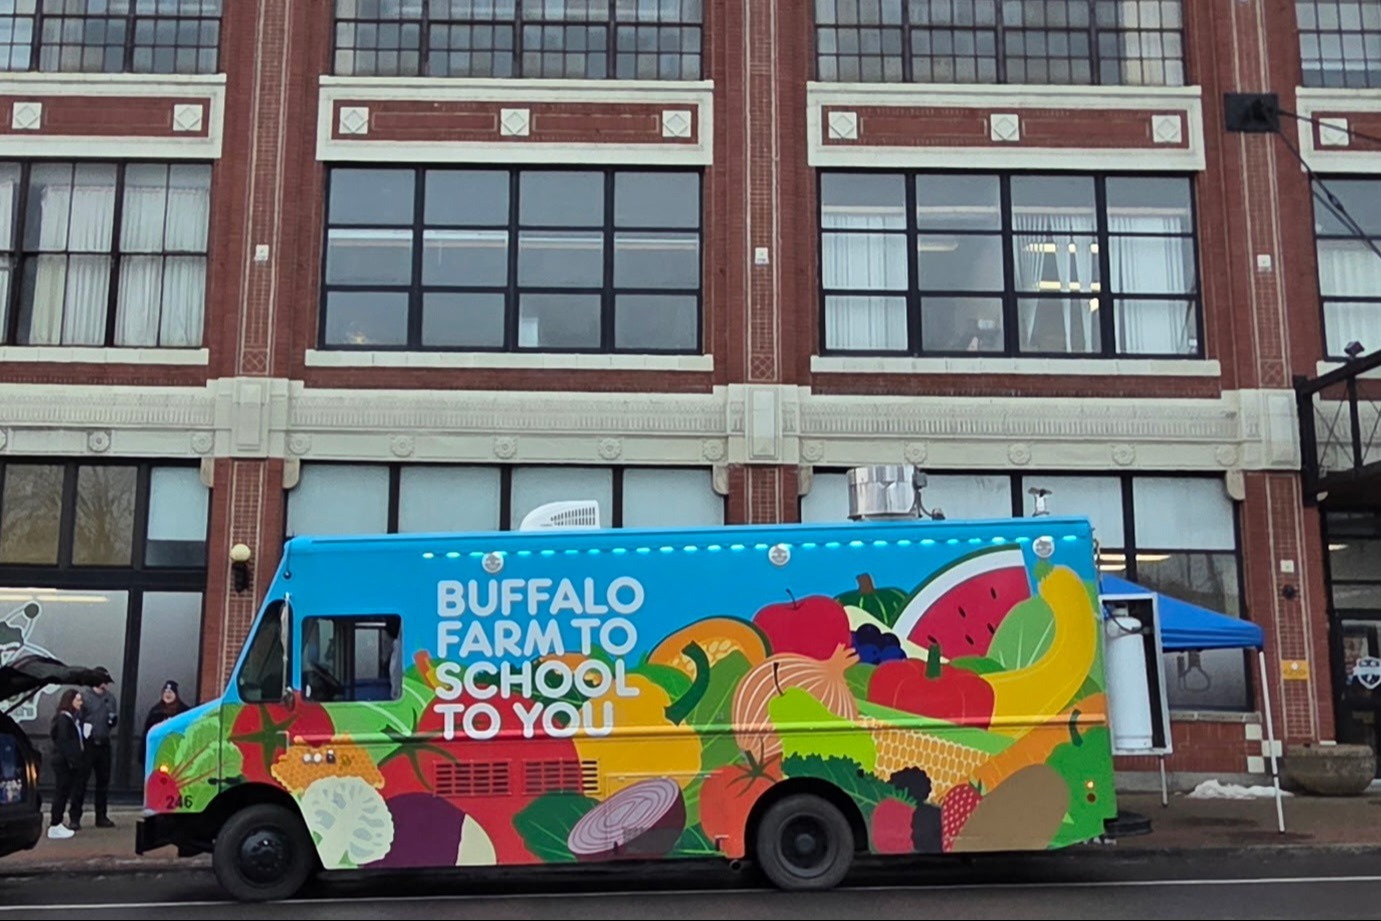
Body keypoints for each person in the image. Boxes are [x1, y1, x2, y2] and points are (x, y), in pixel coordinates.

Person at [48, 688, 89, 838]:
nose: (80, 702)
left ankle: (57, 823)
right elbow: (64, 742)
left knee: (64, 792)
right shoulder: (63, 719)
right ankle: (55, 823)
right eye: (77, 699)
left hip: (66, 762)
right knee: (61, 792)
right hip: (64, 763)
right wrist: (72, 760)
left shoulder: (70, 718)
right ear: (70, 701)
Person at [80, 673, 118, 828]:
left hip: (104, 743)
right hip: (89, 743)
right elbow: (79, 717)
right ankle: (75, 817)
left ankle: (101, 816)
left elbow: (113, 719)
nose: (105, 685)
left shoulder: (110, 698)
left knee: (103, 782)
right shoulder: (84, 697)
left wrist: (113, 721)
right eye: (103, 682)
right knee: (81, 781)